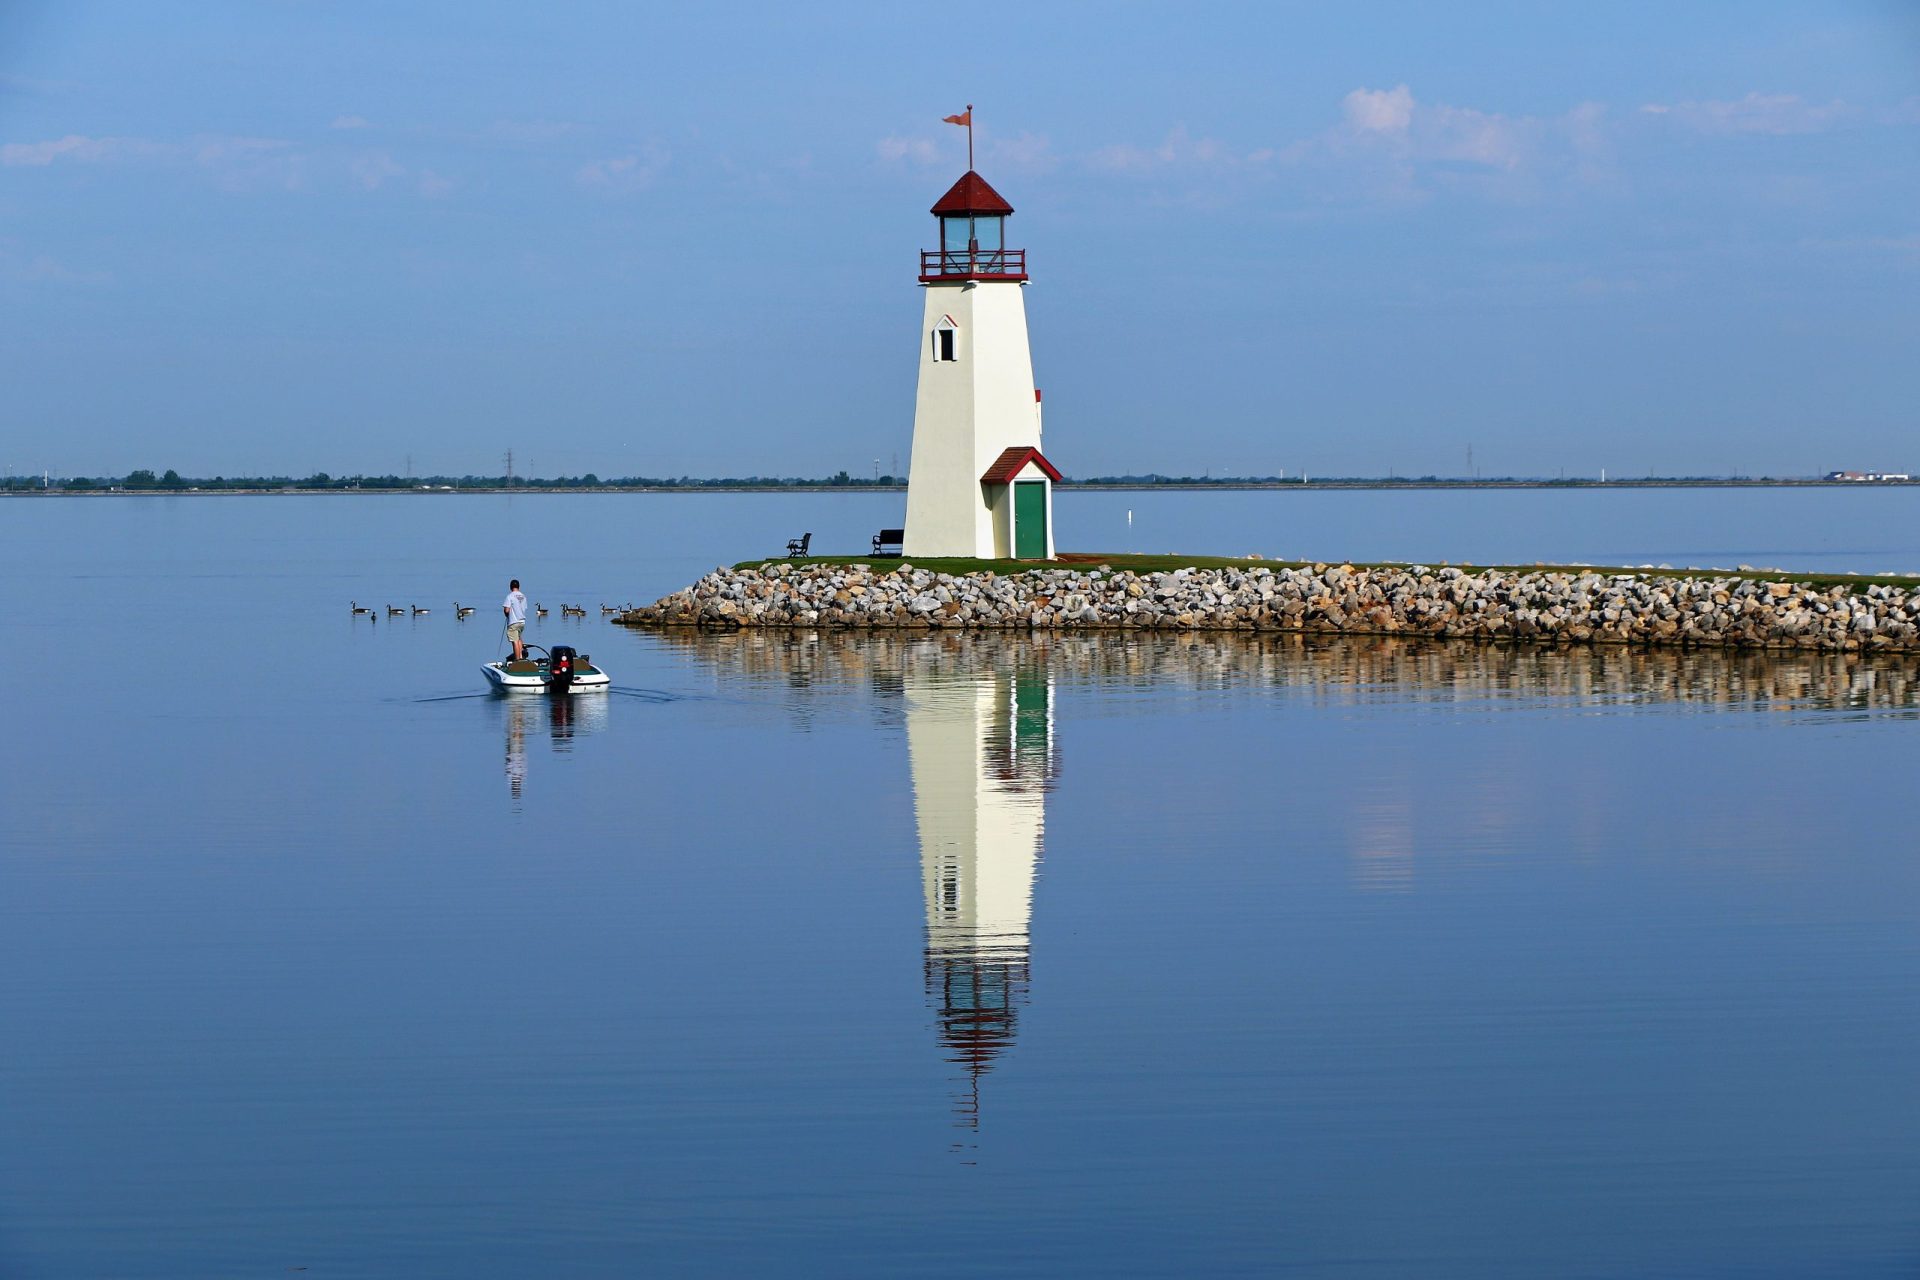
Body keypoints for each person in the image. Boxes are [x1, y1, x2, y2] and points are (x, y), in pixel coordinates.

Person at [503, 578, 528, 661]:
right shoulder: (523, 596)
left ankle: (517, 661)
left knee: (515, 641)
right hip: (522, 622)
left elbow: (506, 610)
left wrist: (506, 614)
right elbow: (524, 608)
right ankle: (521, 657)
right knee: (519, 639)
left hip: (513, 622)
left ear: (510, 587)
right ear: (519, 587)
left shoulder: (510, 596)